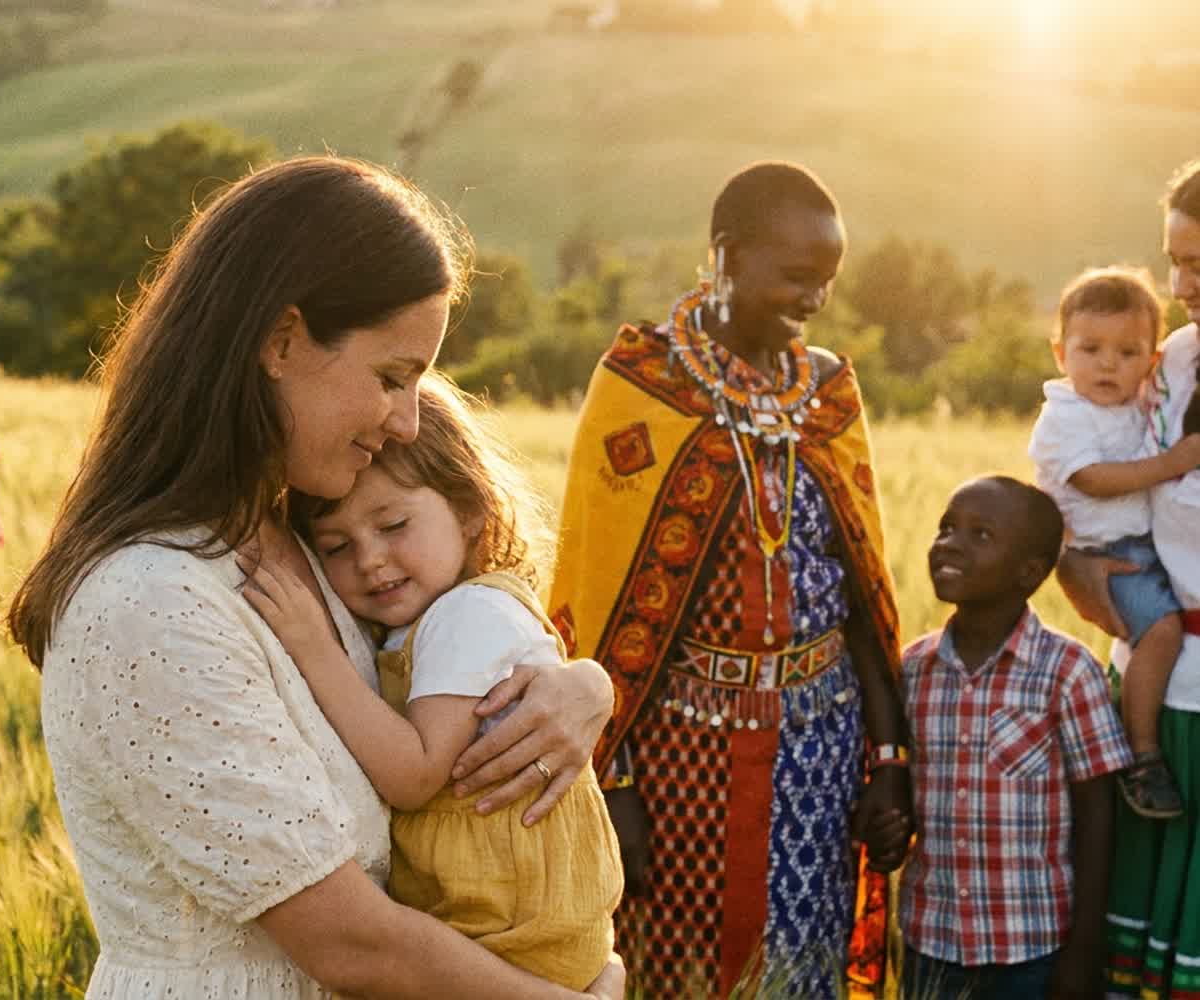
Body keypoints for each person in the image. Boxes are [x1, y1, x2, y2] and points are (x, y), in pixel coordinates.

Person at [6, 156, 623, 1000]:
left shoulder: (305, 539)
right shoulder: (147, 599)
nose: (408, 419)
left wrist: (580, 686)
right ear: (281, 340)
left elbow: (441, 675)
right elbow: (345, 941)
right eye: (391, 377)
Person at [547, 161, 912, 998]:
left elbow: (865, 596)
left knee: (799, 970)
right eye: (797, 276)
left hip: (822, 749)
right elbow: (601, 604)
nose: (815, 300)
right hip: (678, 750)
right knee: (676, 970)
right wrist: (615, 782)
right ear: (728, 255)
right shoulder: (644, 385)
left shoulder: (826, 391)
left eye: (826, 281)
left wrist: (888, 761)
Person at [244, 374, 623, 990]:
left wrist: (315, 650)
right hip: (508, 928)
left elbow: (414, 776)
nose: (370, 559)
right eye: (337, 546)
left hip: (511, 933)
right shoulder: (421, 621)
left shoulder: (465, 616)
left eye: (393, 526)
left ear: (470, 513)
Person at [897, 476, 1129, 998]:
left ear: (1029, 572)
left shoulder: (1067, 673)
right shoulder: (913, 668)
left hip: (1030, 950)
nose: (950, 543)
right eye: (946, 528)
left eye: (980, 535)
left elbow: (1097, 814)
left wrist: (1084, 951)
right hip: (930, 943)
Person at [1061, 159, 1200, 997]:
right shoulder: (1170, 356)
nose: (1184, 284)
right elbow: (1090, 463)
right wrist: (1072, 560)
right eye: (1177, 260)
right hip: (1153, 684)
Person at [1029, 266, 1200, 820]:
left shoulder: (1141, 400)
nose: (1107, 364)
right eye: (1090, 349)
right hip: (1116, 555)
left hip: (1141, 549)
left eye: (1127, 353)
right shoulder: (1065, 416)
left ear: (1150, 364)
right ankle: (1142, 754)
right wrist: (1170, 464)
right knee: (1161, 632)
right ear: (1060, 353)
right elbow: (1091, 479)